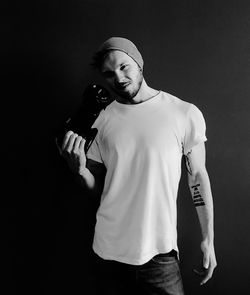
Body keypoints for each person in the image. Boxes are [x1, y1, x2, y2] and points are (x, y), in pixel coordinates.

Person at [60, 37, 217, 295]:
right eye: (109, 74)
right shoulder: (100, 121)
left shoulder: (183, 114)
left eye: (124, 67)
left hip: (160, 255)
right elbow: (99, 188)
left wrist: (208, 238)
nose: (118, 78)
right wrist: (79, 170)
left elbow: (197, 176)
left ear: (139, 63)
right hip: (108, 254)